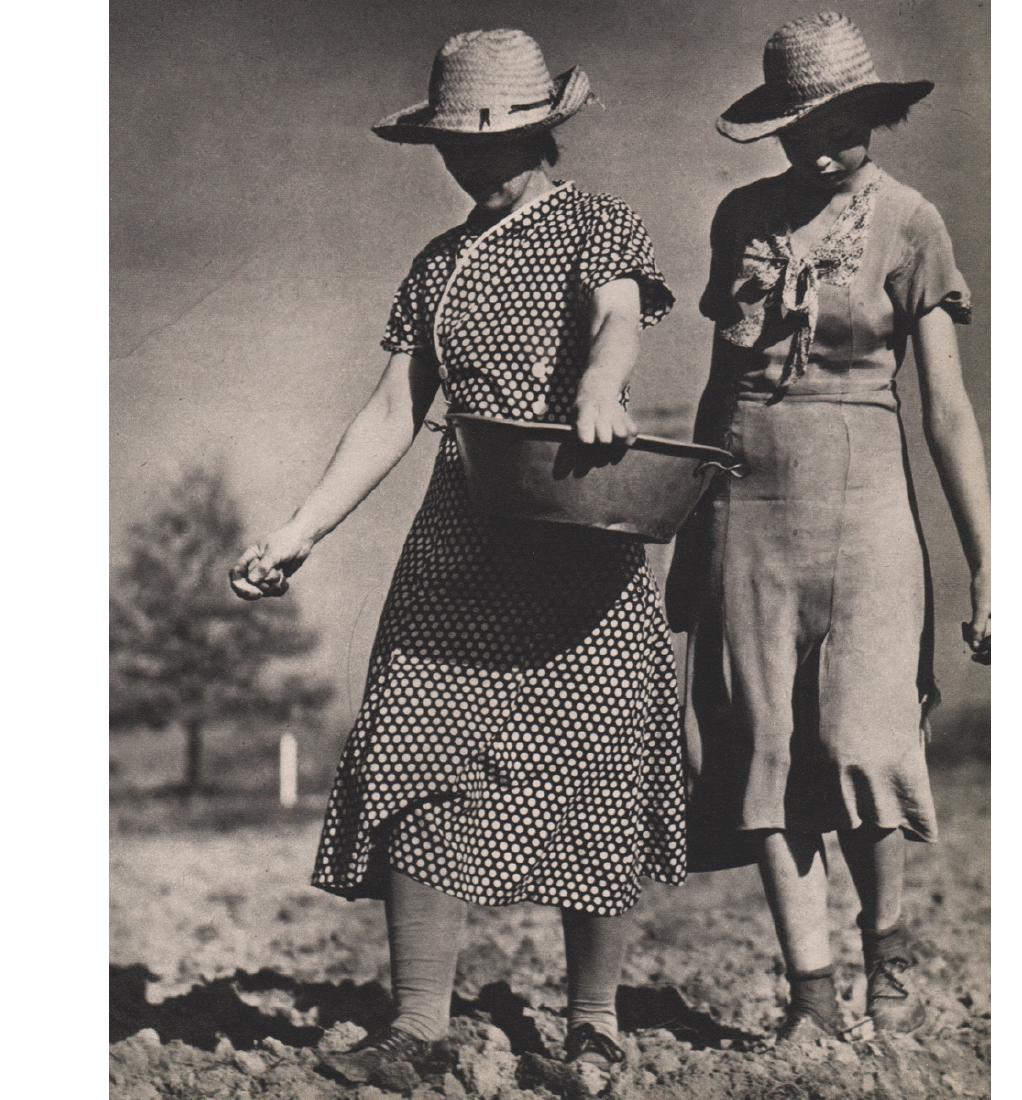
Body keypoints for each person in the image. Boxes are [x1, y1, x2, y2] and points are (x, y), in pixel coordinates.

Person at [229, 28, 686, 1082]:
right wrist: (299, 531)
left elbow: (617, 315)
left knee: (595, 765)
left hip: (582, 526)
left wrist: (601, 385)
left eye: (506, 137)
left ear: (544, 131)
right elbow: (391, 409)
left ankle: (594, 1024)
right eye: (461, 144)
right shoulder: (435, 266)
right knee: (415, 748)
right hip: (460, 537)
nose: (479, 159)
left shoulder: (595, 224)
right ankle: (419, 1026)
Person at [667, 12, 990, 1041]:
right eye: (793, 126)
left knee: (862, 739)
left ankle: (886, 963)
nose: (812, 145)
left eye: (835, 121)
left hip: (866, 509)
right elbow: (722, 385)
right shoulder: (740, 216)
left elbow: (943, 408)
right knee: (763, 749)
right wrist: (686, 535)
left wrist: (990, 566)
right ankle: (809, 995)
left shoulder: (909, 221)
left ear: (872, 111)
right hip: (743, 509)